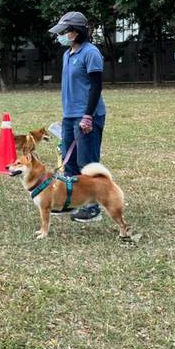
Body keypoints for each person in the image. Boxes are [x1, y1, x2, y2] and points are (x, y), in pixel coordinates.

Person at [48, 11, 106, 223]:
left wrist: (88, 116)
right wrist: (67, 116)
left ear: (76, 31)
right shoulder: (67, 54)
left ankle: (93, 207)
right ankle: (71, 201)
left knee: (86, 162)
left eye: (64, 32)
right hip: (70, 116)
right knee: (69, 160)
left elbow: (96, 86)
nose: (61, 36)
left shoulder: (91, 53)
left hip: (88, 116)